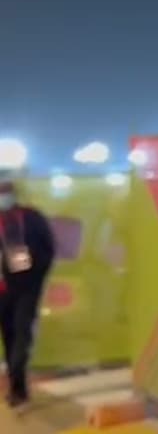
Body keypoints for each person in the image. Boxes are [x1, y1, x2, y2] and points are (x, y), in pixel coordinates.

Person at [0, 175, 55, 408]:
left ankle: (16, 378)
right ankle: (17, 386)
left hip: (25, 288)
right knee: (9, 336)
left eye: (5, 190)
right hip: (2, 291)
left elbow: (47, 250)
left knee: (21, 334)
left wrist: (34, 279)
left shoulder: (28, 217)